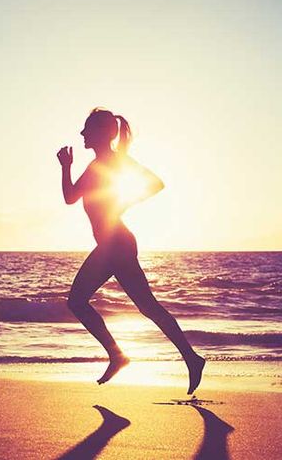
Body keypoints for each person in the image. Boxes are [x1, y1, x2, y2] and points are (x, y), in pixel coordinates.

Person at [56, 107, 205, 394]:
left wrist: (123, 205)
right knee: (145, 306)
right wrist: (65, 167)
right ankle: (189, 358)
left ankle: (121, 355)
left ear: (102, 132)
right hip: (112, 244)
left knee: (78, 301)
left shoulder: (116, 161)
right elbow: (70, 197)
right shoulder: (95, 166)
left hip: (117, 243)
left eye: (87, 128)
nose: (82, 133)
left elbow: (156, 184)